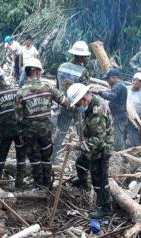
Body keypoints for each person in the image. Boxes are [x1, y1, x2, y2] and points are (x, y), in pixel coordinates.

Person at [15, 58, 68, 190]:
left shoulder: (21, 93)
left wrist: (21, 134)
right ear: (39, 72)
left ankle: (39, 185)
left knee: (35, 159)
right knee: (46, 157)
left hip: (30, 133)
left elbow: (18, 118)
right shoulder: (48, 87)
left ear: (27, 73)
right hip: (45, 131)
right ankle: (48, 183)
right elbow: (65, 102)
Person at [66, 83, 113, 219]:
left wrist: (76, 145)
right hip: (92, 145)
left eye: (77, 104)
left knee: (99, 179)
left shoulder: (97, 112)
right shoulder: (90, 105)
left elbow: (97, 140)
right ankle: (82, 181)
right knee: (80, 162)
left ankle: (105, 208)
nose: (77, 107)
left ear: (83, 100)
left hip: (102, 148)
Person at [52, 41, 91, 160]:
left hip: (63, 104)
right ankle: (84, 155)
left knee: (60, 131)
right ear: (82, 56)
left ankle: (52, 156)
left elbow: (57, 85)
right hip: (77, 106)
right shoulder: (83, 72)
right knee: (82, 132)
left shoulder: (61, 67)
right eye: (86, 56)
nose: (87, 58)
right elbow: (84, 93)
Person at [0, 73, 25, 190]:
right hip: (20, 129)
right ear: (3, 79)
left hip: (5, 130)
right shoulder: (18, 90)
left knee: (0, 155)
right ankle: (19, 184)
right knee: (21, 156)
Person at [93, 68, 128, 150]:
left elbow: (111, 96)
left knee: (118, 139)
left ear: (114, 77)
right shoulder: (119, 86)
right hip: (119, 116)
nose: (107, 81)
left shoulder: (118, 85)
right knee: (118, 137)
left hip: (119, 117)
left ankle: (121, 157)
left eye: (108, 79)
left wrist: (99, 92)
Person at [126, 72, 141, 147]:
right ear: (133, 80)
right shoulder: (125, 89)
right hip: (124, 117)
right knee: (121, 137)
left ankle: (136, 150)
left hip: (136, 119)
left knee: (134, 142)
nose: (140, 83)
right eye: (138, 81)